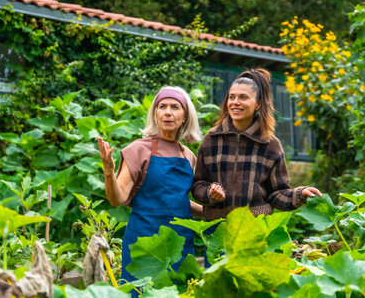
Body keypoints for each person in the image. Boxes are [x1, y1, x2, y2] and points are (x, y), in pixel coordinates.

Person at [98, 86, 203, 287]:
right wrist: (109, 171)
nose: (168, 112)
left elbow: (179, 202)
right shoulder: (139, 149)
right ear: (155, 114)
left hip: (178, 243)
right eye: (162, 106)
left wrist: (213, 212)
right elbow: (116, 198)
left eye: (175, 107)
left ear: (185, 116)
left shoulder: (188, 156)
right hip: (144, 242)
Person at [192, 68, 322, 222]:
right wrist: (209, 193)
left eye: (243, 97)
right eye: (231, 97)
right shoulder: (211, 140)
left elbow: (277, 193)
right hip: (217, 228)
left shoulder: (270, 144)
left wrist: (300, 194)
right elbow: (198, 184)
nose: (235, 102)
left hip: (255, 228)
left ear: (258, 104)